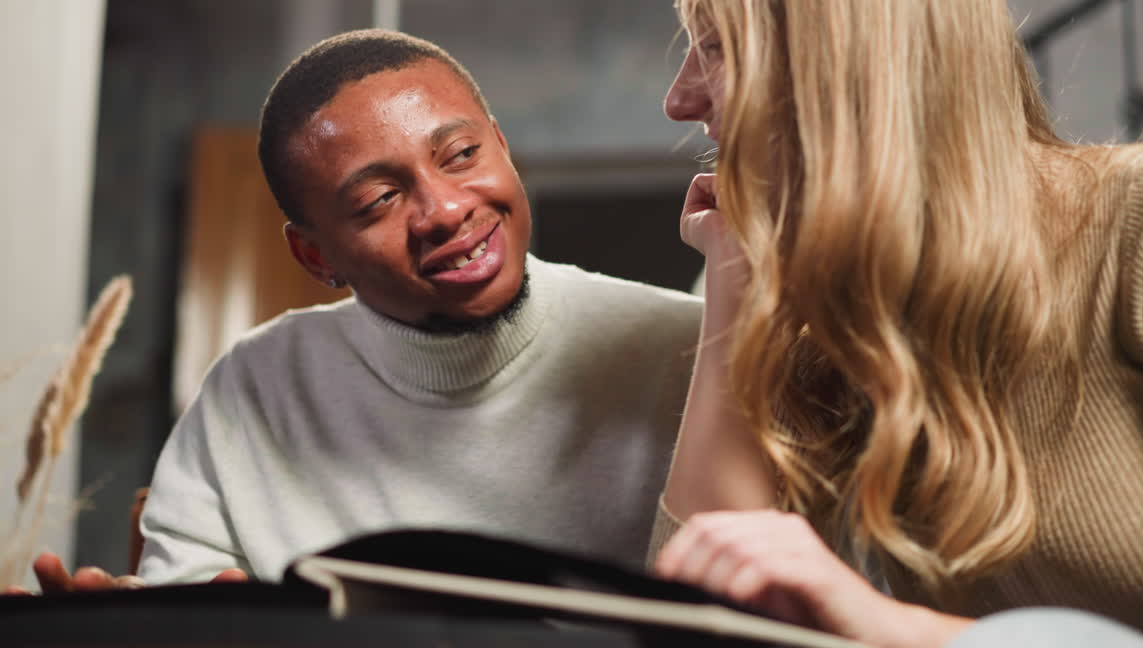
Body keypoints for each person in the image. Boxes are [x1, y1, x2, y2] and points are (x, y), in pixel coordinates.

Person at [647, 0, 1143, 647]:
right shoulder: (841, 302)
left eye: (716, 44)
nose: (679, 100)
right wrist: (738, 275)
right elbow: (697, 625)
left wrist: (898, 630)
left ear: (849, 55)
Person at [22, 29, 703, 591]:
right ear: (316, 257)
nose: (445, 210)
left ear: (501, 145)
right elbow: (189, 613)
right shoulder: (253, 391)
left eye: (462, 155)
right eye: (380, 200)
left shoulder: (688, 355)